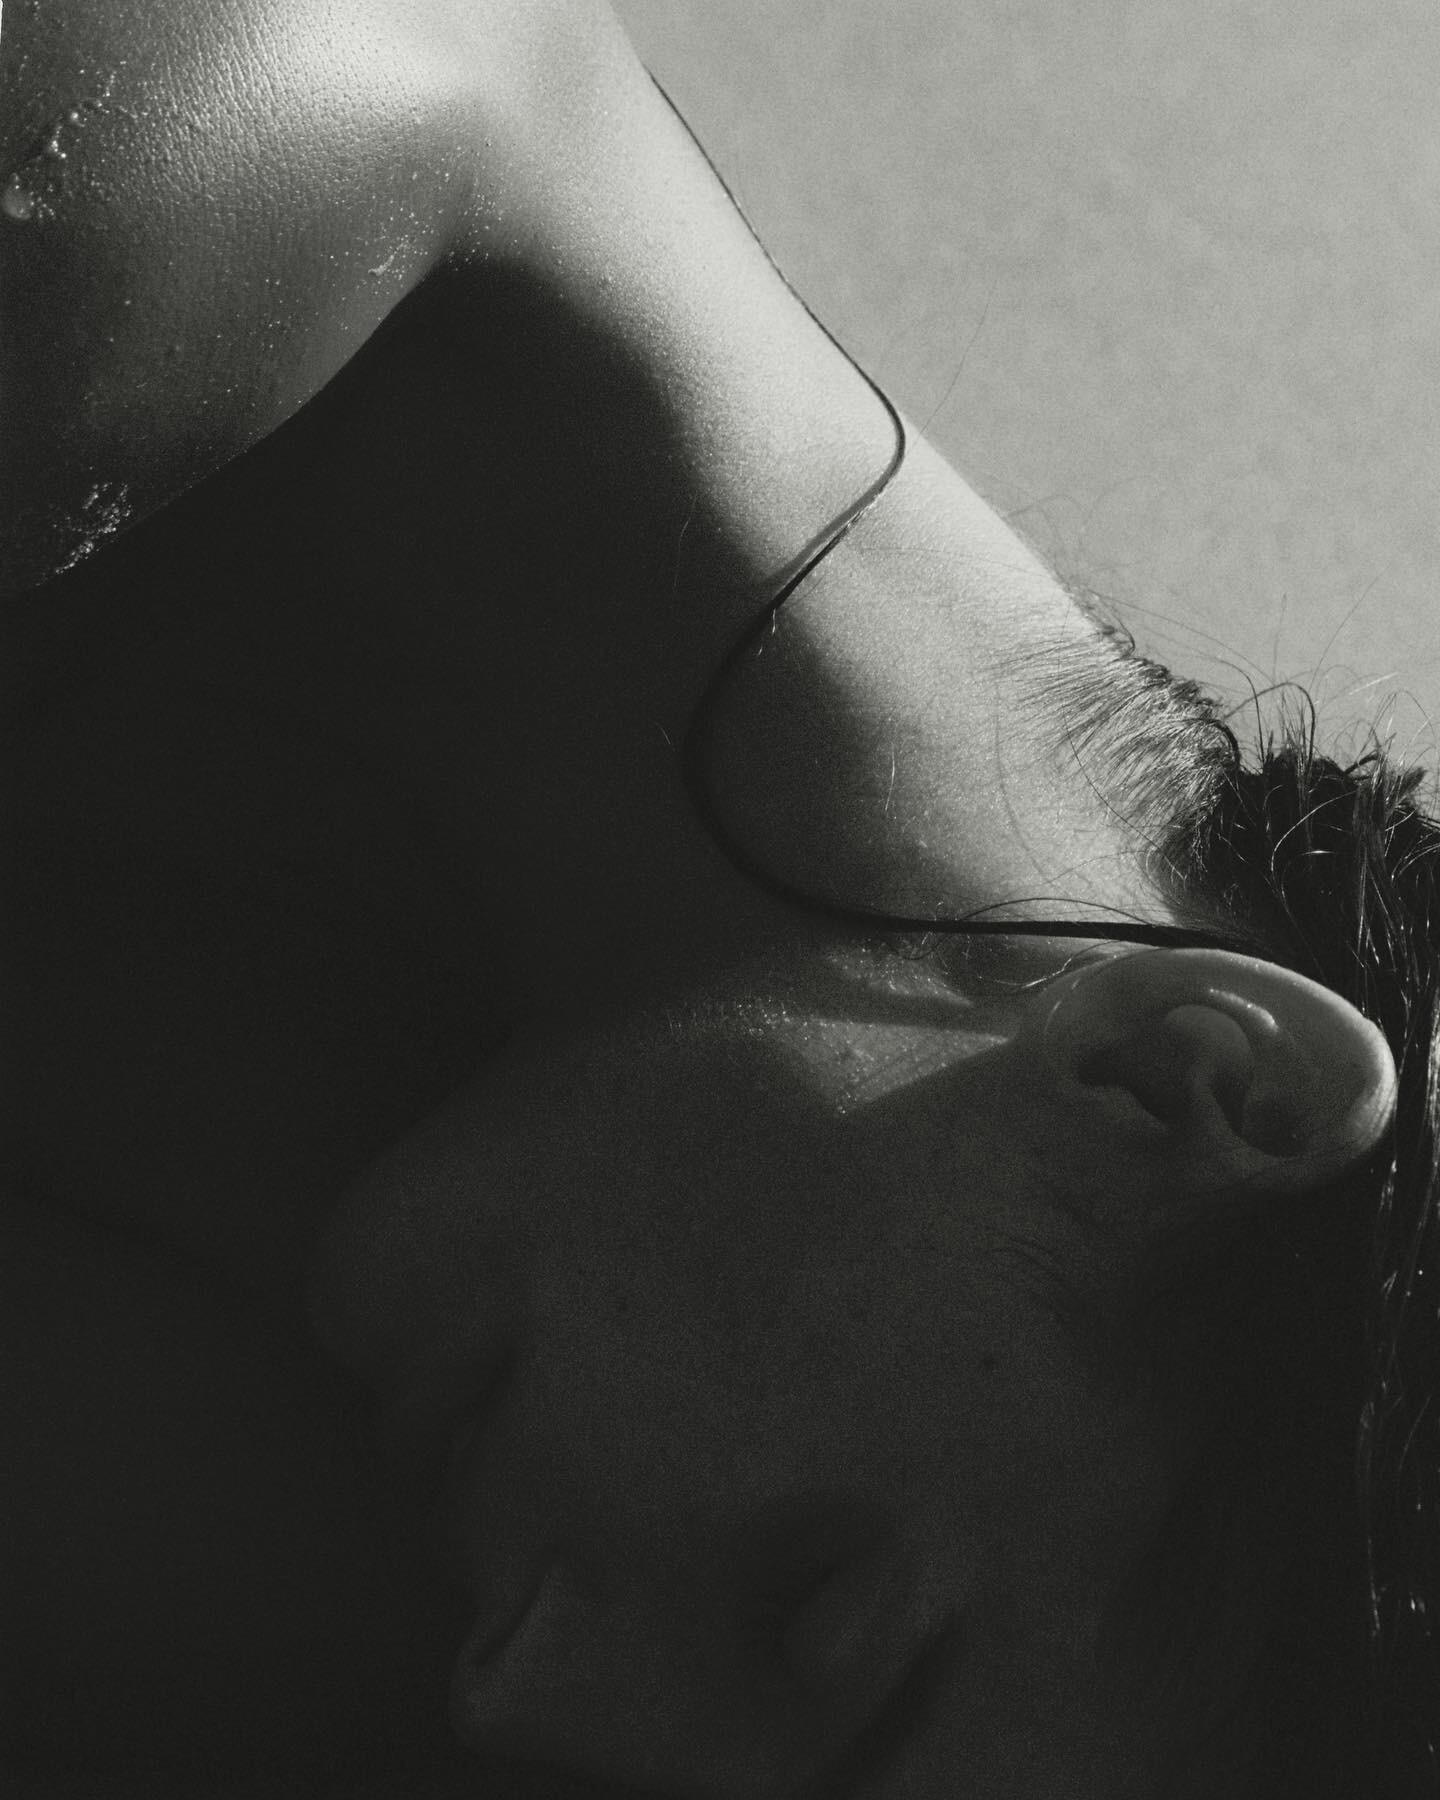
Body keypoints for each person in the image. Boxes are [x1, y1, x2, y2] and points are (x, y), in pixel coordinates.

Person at [1, 2, 1434, 1795]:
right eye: (810, 1612)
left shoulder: (428, 1124)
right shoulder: (141, 137)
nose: (521, 1703)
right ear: (1189, 1075)